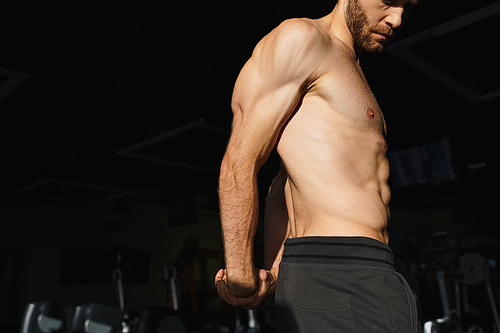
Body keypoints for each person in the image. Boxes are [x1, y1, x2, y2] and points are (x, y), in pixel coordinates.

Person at [215, 0, 421, 331]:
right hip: (338, 270)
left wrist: (276, 269)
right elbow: (240, 160)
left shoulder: (349, 66)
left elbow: (284, 184)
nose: (397, 19)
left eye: (408, 8)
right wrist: (240, 273)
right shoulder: (303, 38)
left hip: (363, 268)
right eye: (389, 1)